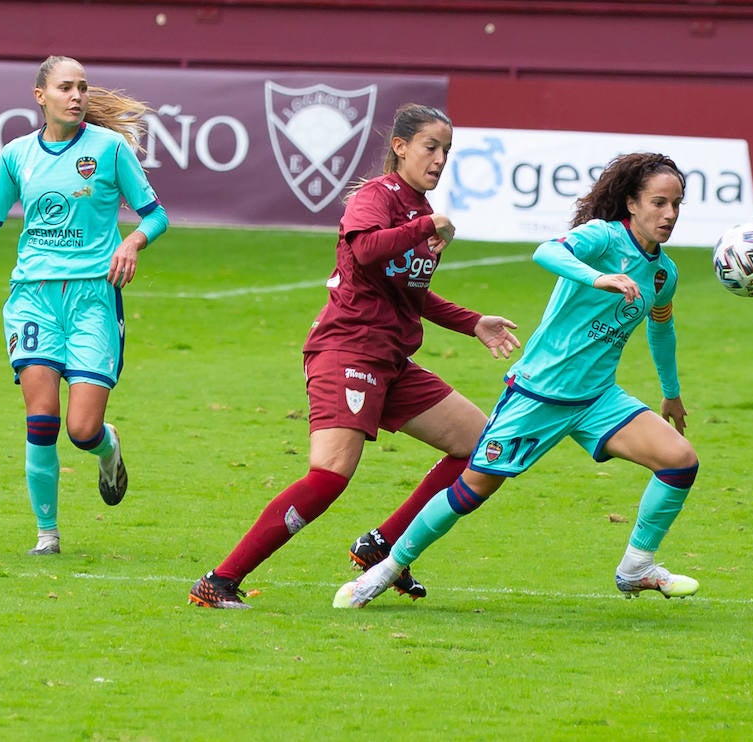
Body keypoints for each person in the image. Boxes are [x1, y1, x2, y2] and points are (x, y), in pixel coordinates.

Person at [188, 104, 521, 609]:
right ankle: (219, 581)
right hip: (347, 350)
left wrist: (470, 321)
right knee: (329, 476)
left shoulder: (417, 213)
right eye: (431, 147)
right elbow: (366, 250)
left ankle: (382, 546)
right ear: (401, 146)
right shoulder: (377, 197)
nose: (439, 159)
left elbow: (409, 291)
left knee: (482, 445)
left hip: (391, 359)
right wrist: (426, 226)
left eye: (447, 151)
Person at [334, 152, 701, 609]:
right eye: (659, 202)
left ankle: (636, 568)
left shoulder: (664, 272)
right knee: (471, 491)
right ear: (631, 202)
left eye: (677, 204)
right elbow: (546, 251)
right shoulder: (603, 238)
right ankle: (386, 568)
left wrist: (671, 393)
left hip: (597, 398)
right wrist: (599, 277)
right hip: (537, 393)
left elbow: (661, 328)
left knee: (680, 461)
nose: (669, 214)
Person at [0, 55, 169, 554]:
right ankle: (46, 535)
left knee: (81, 430)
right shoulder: (16, 154)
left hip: (93, 299)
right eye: (65, 88)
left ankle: (107, 446)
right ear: (41, 96)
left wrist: (132, 242)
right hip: (32, 297)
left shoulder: (110, 149)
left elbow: (155, 215)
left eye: (82, 87)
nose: (77, 96)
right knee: (41, 419)